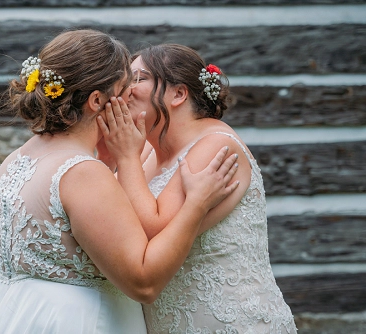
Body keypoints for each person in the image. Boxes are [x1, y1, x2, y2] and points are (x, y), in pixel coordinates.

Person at [0, 30, 241, 334]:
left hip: (17, 315)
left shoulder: (14, 161)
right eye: (125, 87)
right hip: (81, 322)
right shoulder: (82, 172)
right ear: (96, 100)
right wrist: (196, 205)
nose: (130, 96)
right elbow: (143, 283)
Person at [97, 44, 298, 333]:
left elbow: (151, 232)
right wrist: (110, 157)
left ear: (179, 93)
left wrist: (125, 158)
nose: (125, 90)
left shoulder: (217, 145)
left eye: (138, 79)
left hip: (232, 322)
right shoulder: (146, 152)